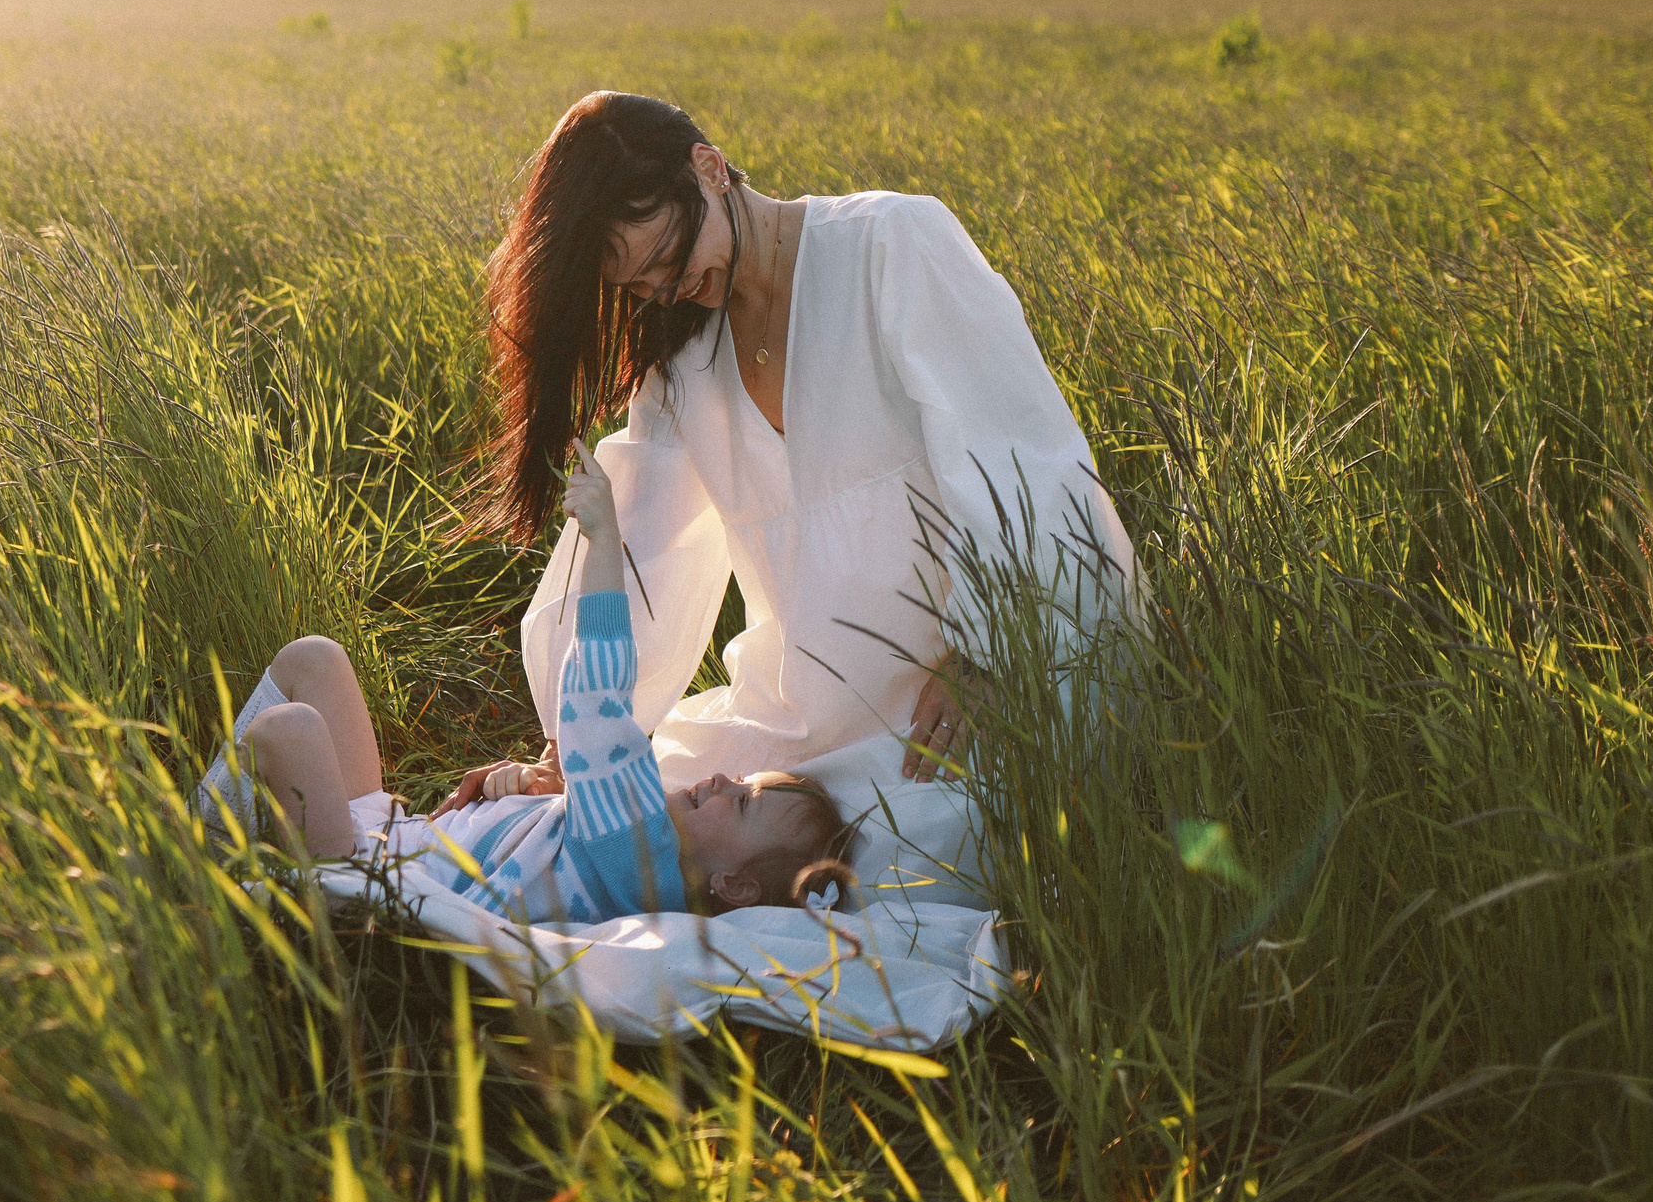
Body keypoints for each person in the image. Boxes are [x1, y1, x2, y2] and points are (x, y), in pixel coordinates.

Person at [445, 92, 1136, 891]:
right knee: (650, 810)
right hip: (804, 707)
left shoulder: (890, 245)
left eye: (669, 254)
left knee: (923, 845)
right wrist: (573, 746)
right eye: (640, 286)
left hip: (973, 674)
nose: (667, 289)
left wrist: (985, 650)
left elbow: (1016, 452)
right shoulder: (683, 359)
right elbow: (642, 550)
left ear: (708, 168)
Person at [200, 446, 856, 922]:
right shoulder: (633, 853)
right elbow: (557, 827)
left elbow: (597, 700)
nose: (722, 780)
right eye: (742, 783)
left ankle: (192, 862)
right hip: (395, 840)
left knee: (290, 728)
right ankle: (212, 838)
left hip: (362, 883)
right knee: (313, 658)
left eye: (740, 802)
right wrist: (517, 783)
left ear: (733, 885)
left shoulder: (642, 850)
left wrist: (603, 537)